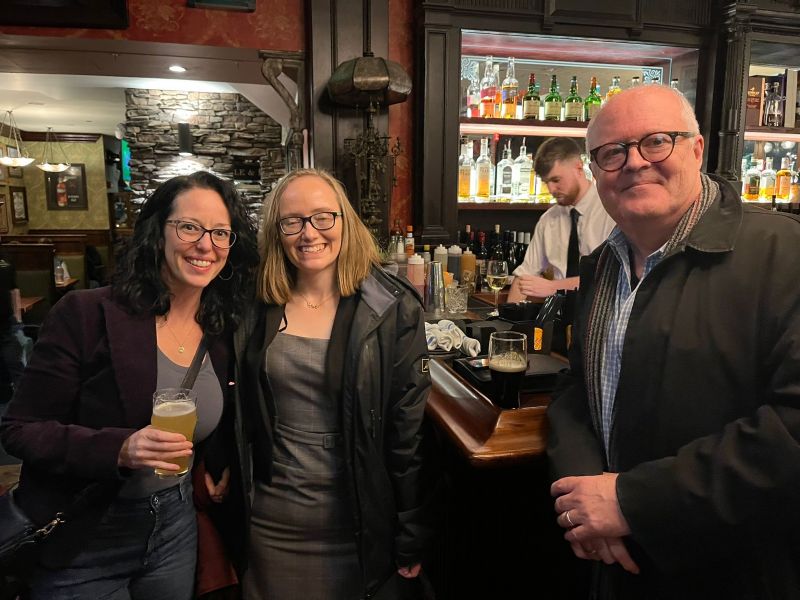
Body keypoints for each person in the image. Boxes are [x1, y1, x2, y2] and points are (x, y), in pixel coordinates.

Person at [547, 84, 800, 599]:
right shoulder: (602, 265)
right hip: (618, 564)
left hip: (735, 572)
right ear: (595, 172)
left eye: (656, 142)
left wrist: (632, 502)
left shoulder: (782, 253)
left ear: (697, 149)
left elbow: (792, 428)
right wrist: (584, 497)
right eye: (612, 153)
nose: (635, 163)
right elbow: (577, 391)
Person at [0, 171, 258, 599]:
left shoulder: (221, 328)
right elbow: (19, 428)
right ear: (158, 232)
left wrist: (219, 460)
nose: (205, 244)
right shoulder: (86, 313)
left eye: (220, 232)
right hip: (86, 532)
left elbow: (220, 409)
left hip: (174, 528)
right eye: (190, 227)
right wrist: (117, 449)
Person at [232, 168, 436, 599]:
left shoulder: (393, 307)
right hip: (271, 521)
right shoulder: (253, 301)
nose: (310, 233)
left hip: (356, 522)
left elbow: (406, 436)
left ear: (345, 221)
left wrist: (410, 530)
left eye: (323, 217)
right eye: (293, 221)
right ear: (276, 231)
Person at [507, 137, 615, 304]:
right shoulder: (549, 219)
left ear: (579, 168)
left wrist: (554, 287)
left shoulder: (610, 211)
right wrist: (508, 323)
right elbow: (524, 277)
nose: (551, 189)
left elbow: (610, 277)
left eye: (556, 180)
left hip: (601, 311)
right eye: (546, 182)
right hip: (559, 315)